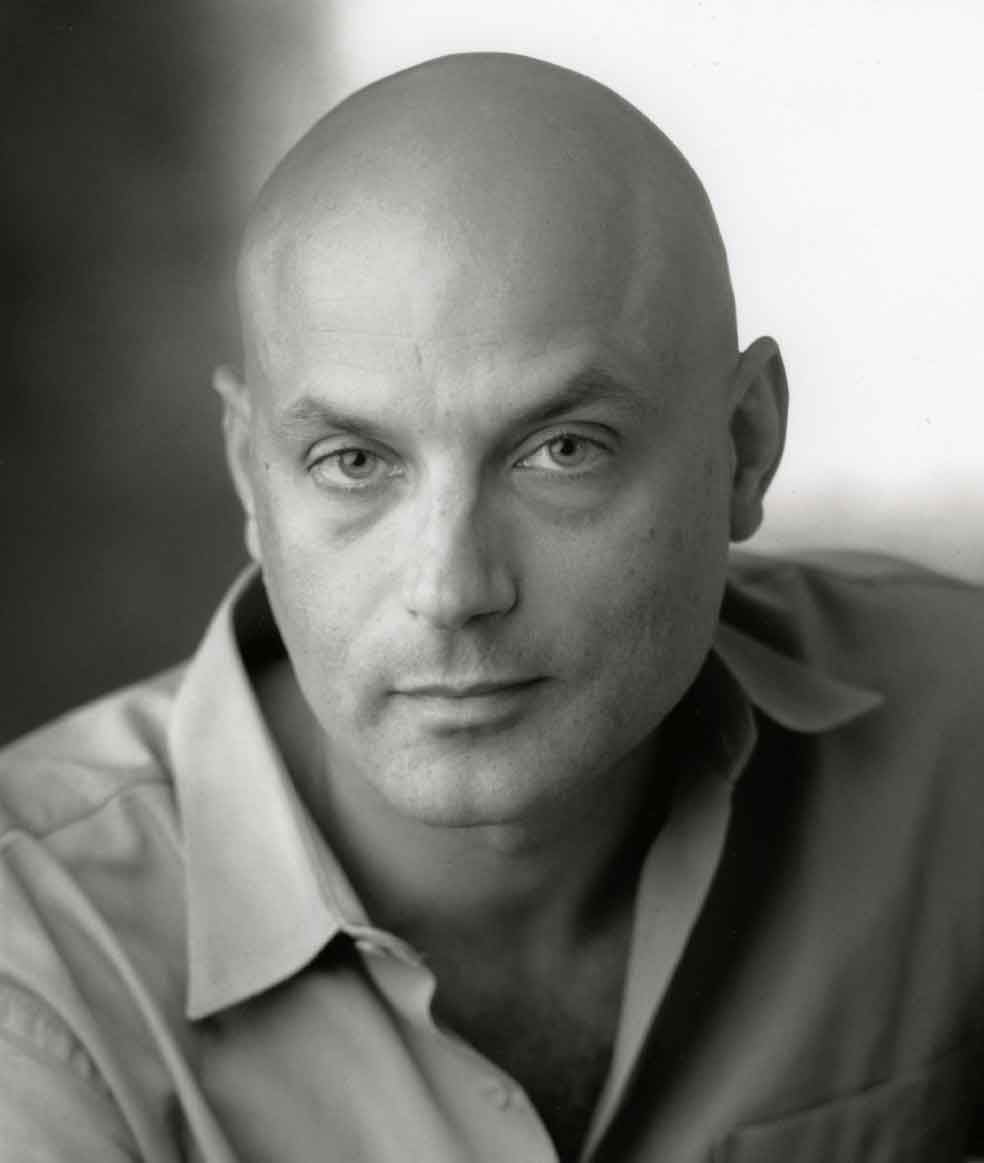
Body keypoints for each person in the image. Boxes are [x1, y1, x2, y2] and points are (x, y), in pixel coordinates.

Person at [1, 51, 982, 1163]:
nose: (453, 590)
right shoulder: (37, 967)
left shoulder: (955, 746)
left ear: (744, 446)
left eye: (562, 450)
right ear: (250, 478)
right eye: (352, 462)